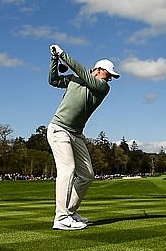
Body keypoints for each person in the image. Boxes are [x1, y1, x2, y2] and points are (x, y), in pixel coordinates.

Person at [46, 44, 119, 230]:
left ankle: (69, 211)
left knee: (87, 174)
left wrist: (62, 54)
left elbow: (82, 72)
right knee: (68, 170)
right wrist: (54, 60)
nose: (110, 79)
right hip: (58, 129)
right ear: (99, 70)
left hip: (76, 134)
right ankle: (61, 218)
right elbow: (53, 81)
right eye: (108, 74)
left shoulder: (102, 87)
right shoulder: (75, 79)